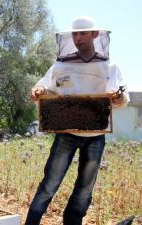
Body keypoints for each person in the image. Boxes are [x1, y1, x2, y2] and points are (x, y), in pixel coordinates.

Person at [25, 16, 129, 225]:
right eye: (75, 34)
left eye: (83, 33)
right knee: (50, 184)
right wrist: (39, 92)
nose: (78, 38)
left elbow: (123, 97)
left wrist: (119, 97)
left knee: (85, 189)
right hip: (66, 134)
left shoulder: (109, 66)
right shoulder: (61, 65)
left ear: (95, 35)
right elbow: (45, 88)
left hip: (96, 136)